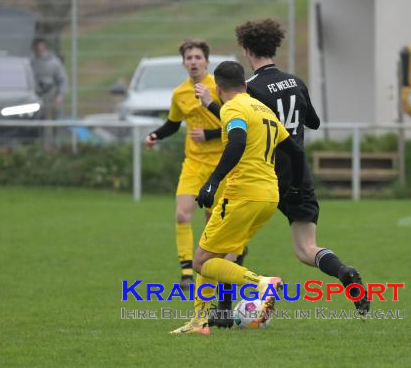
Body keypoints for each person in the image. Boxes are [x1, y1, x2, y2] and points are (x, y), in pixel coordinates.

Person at [195, 19, 371, 317]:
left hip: (263, 174)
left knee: (230, 245)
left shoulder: (248, 90)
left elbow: (241, 126)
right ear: (274, 47)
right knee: (306, 249)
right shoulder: (295, 81)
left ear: (247, 50)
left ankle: (223, 312)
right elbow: (312, 122)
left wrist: (210, 104)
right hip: (298, 173)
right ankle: (344, 272)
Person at [171, 60, 306, 335]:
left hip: (242, 193)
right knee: (219, 256)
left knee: (200, 262)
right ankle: (200, 322)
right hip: (268, 196)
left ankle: (261, 283)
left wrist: (213, 180)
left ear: (218, 88)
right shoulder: (262, 109)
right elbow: (296, 151)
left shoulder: (233, 107)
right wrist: (293, 187)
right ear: (245, 84)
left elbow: (237, 140)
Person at [145, 39, 239, 289]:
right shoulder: (179, 93)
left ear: (207, 61)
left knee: (212, 220)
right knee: (182, 214)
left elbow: (236, 122)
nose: (193, 62)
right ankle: (186, 271)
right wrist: (155, 135)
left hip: (220, 164)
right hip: (193, 164)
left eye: (198, 57)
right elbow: (174, 124)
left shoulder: (219, 88)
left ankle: (213, 269)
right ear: (183, 63)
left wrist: (208, 135)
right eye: (189, 58)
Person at [31, 37, 68, 148]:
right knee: (38, 122)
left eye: (42, 48)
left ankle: (55, 145)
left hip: (52, 97)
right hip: (36, 98)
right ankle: (39, 145)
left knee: (54, 122)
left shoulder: (54, 63)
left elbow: (62, 80)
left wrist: (60, 96)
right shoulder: (31, 63)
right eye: (38, 49)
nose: (40, 51)